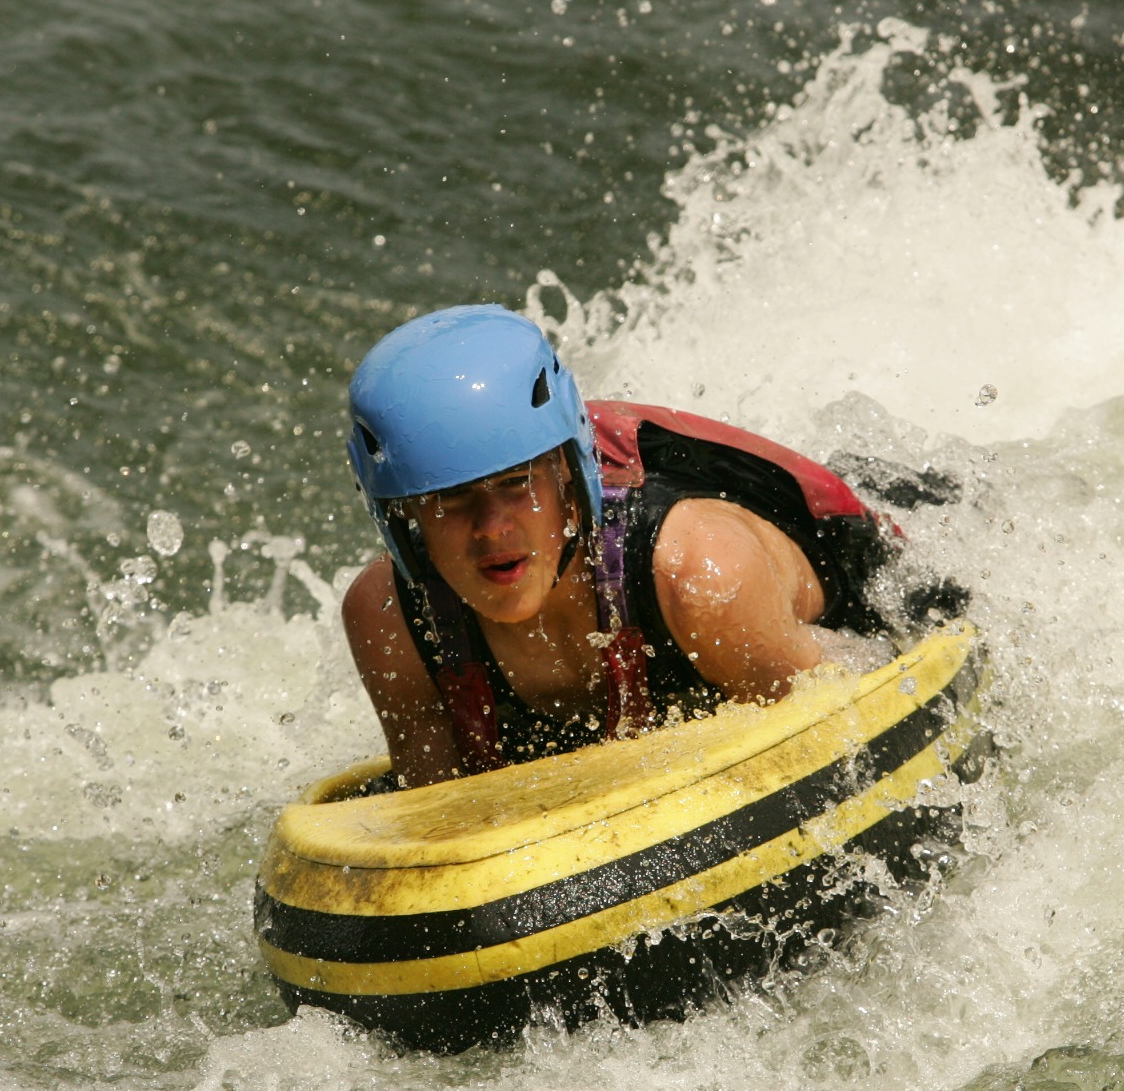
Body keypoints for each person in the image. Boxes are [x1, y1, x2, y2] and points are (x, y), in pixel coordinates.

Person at [341, 304, 912, 788]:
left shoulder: (701, 579)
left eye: (516, 484)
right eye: (452, 499)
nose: (491, 527)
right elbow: (437, 819)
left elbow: (854, 714)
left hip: (889, 566)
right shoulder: (388, 620)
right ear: (403, 514)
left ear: (569, 476)